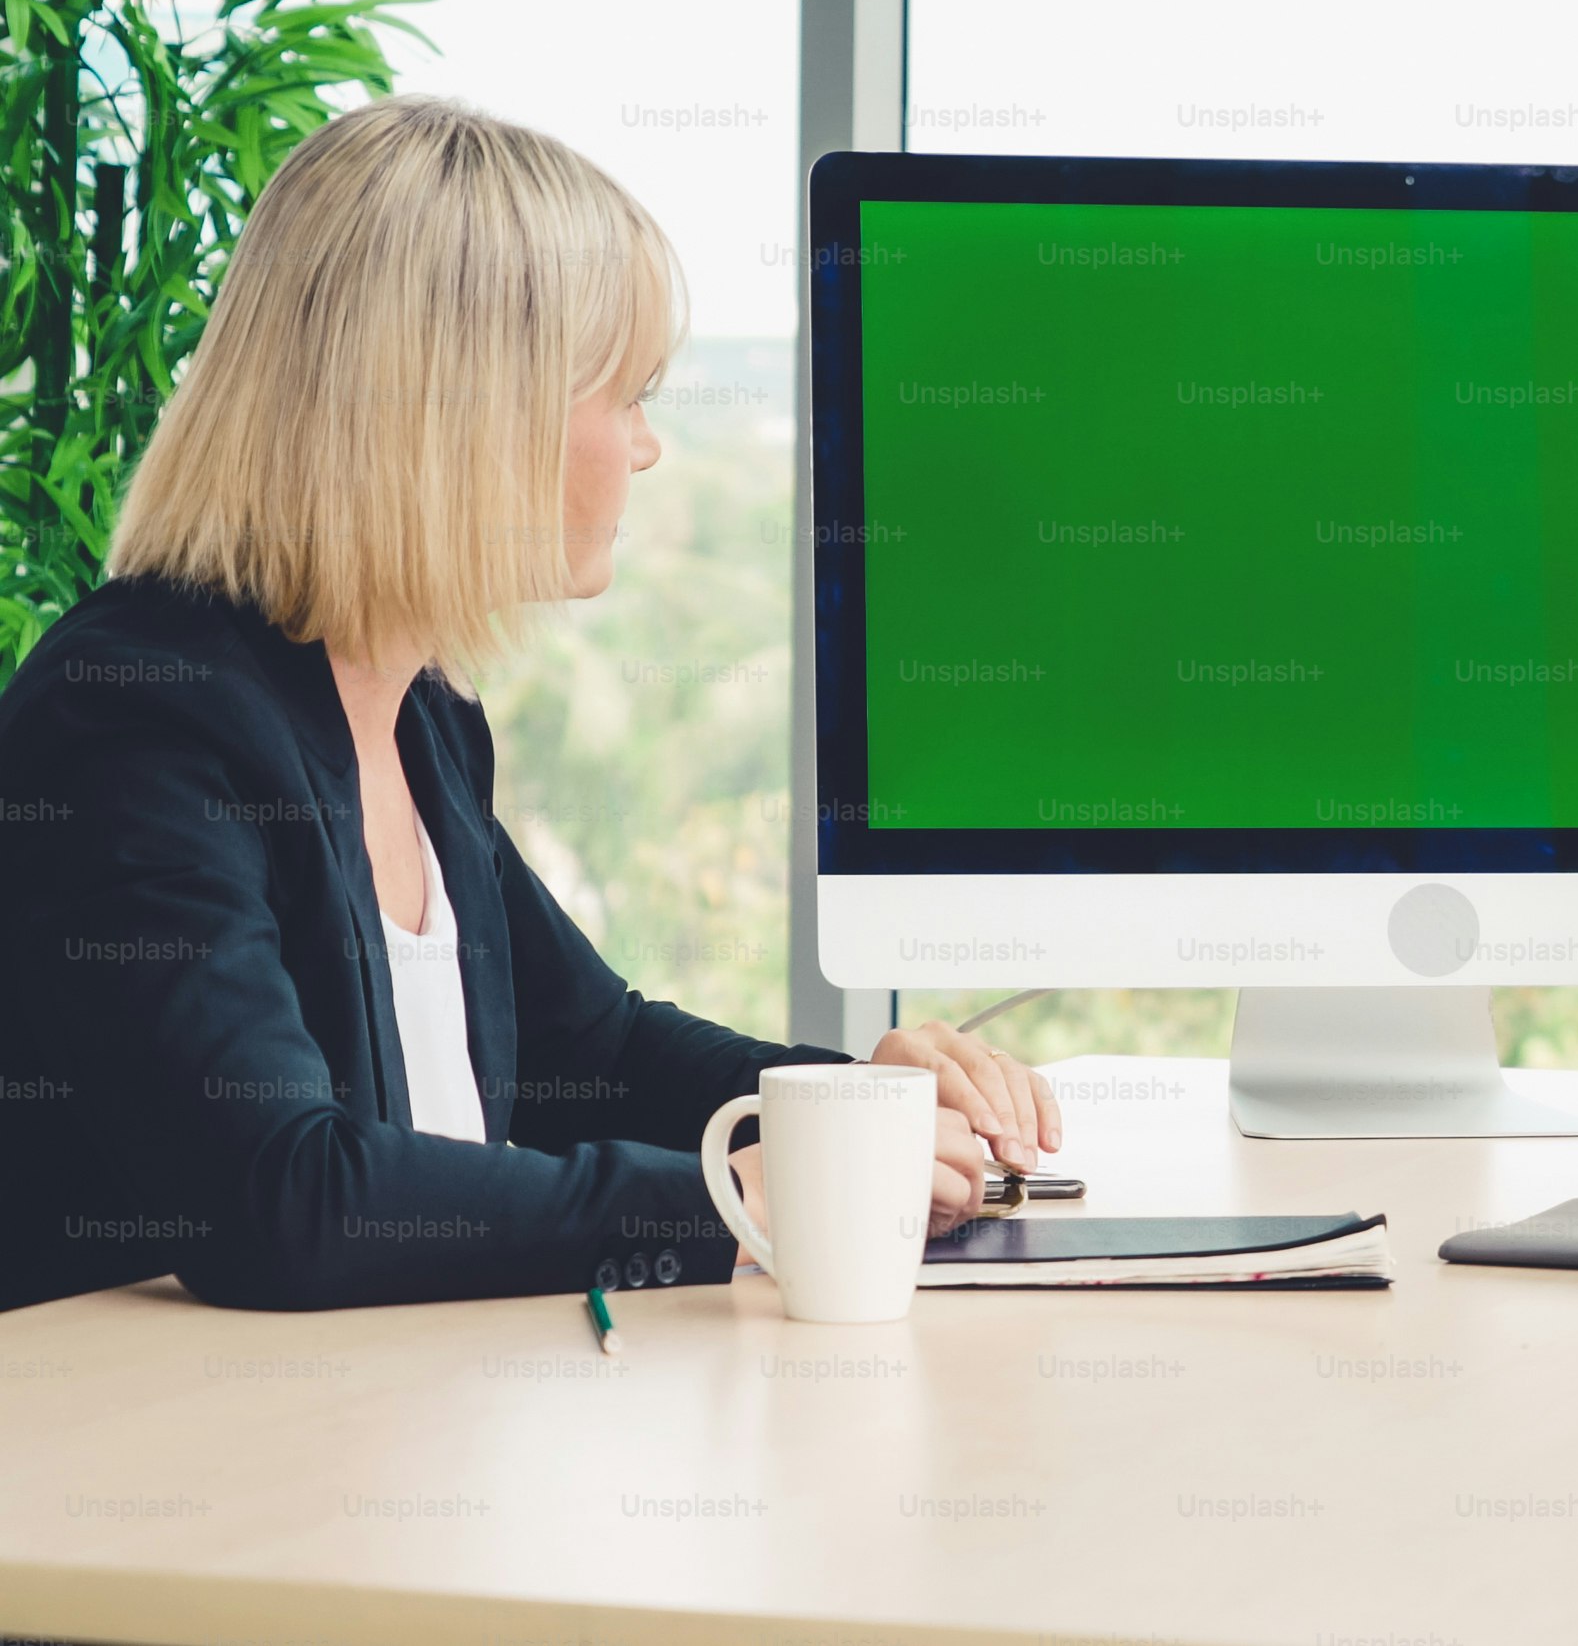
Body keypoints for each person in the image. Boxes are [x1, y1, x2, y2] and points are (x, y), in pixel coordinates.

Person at [0, 95, 1059, 1314]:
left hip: (359, 1443)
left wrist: (852, 1103)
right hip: (152, 1466)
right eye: (626, 398)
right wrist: (732, 1202)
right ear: (467, 420)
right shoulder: (136, 719)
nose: (647, 449)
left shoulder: (420, 716)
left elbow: (592, 1053)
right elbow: (276, 1197)